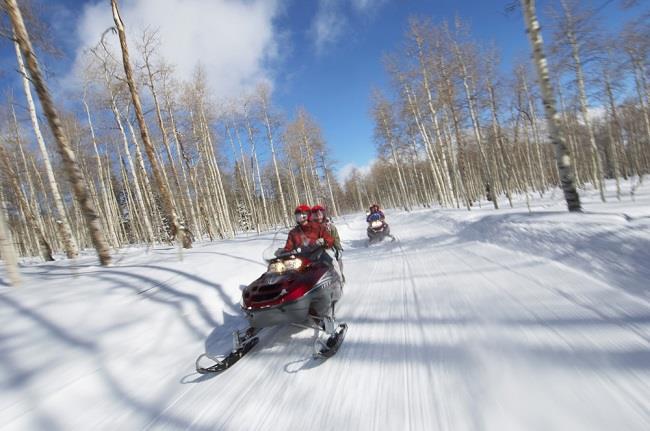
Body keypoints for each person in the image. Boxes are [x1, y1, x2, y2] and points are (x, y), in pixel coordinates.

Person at [311, 205, 345, 283]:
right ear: (312, 216)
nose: (318, 216)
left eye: (320, 214)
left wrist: (338, 248)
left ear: (323, 214)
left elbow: (335, 238)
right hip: (313, 251)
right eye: (316, 215)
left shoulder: (329, 226)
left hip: (328, 248)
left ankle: (339, 280)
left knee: (334, 261)